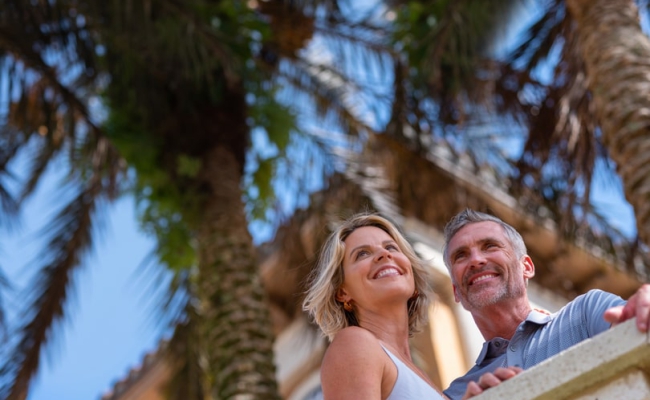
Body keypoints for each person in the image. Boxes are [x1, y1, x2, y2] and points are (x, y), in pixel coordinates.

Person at [441, 209, 650, 399]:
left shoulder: (587, 312)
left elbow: (635, 329)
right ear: (456, 292)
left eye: (490, 246)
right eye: (461, 256)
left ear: (526, 267)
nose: (476, 260)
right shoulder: (456, 394)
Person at [302, 213, 447, 399]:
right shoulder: (354, 343)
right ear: (343, 292)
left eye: (391, 247)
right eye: (362, 254)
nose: (384, 254)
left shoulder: (420, 376)